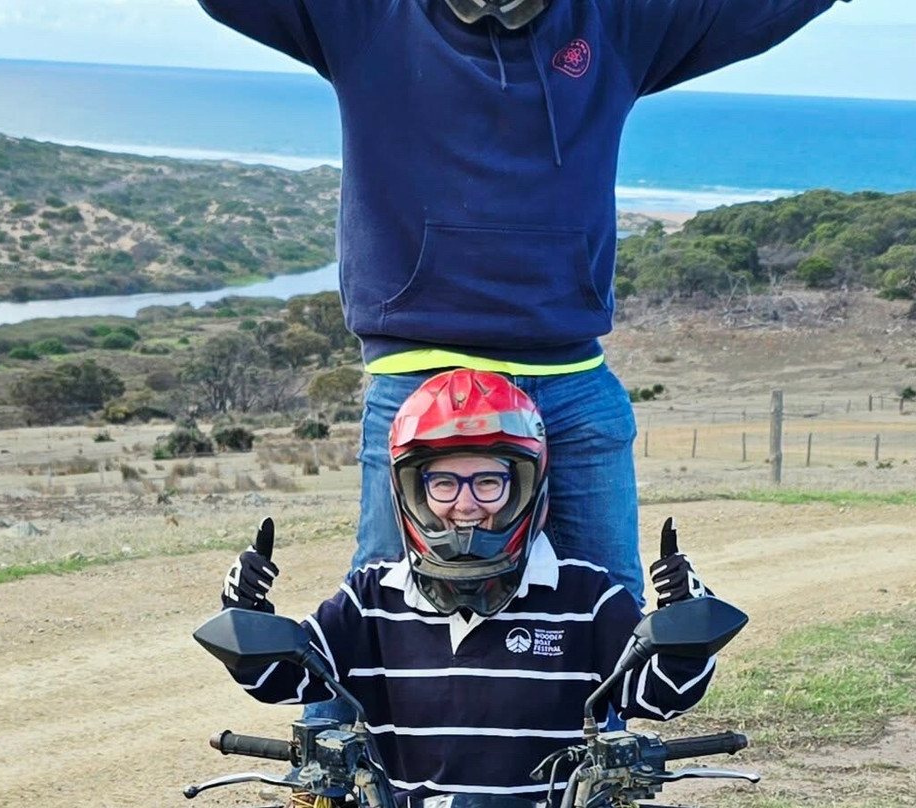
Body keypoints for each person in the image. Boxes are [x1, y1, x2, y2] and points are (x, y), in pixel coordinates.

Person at [196, 0, 851, 615]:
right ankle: (338, 734)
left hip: (570, 375)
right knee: (384, 592)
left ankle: (602, 735)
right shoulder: (368, 19)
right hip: (420, 369)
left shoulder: (614, 23)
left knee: (609, 596)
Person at [219, 369, 714, 803]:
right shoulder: (371, 598)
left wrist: (688, 623)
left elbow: (656, 697)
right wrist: (247, 620)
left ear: (524, 483)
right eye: (443, 484)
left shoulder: (587, 596)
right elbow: (289, 680)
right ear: (413, 489)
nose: (466, 505)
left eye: (488, 482)